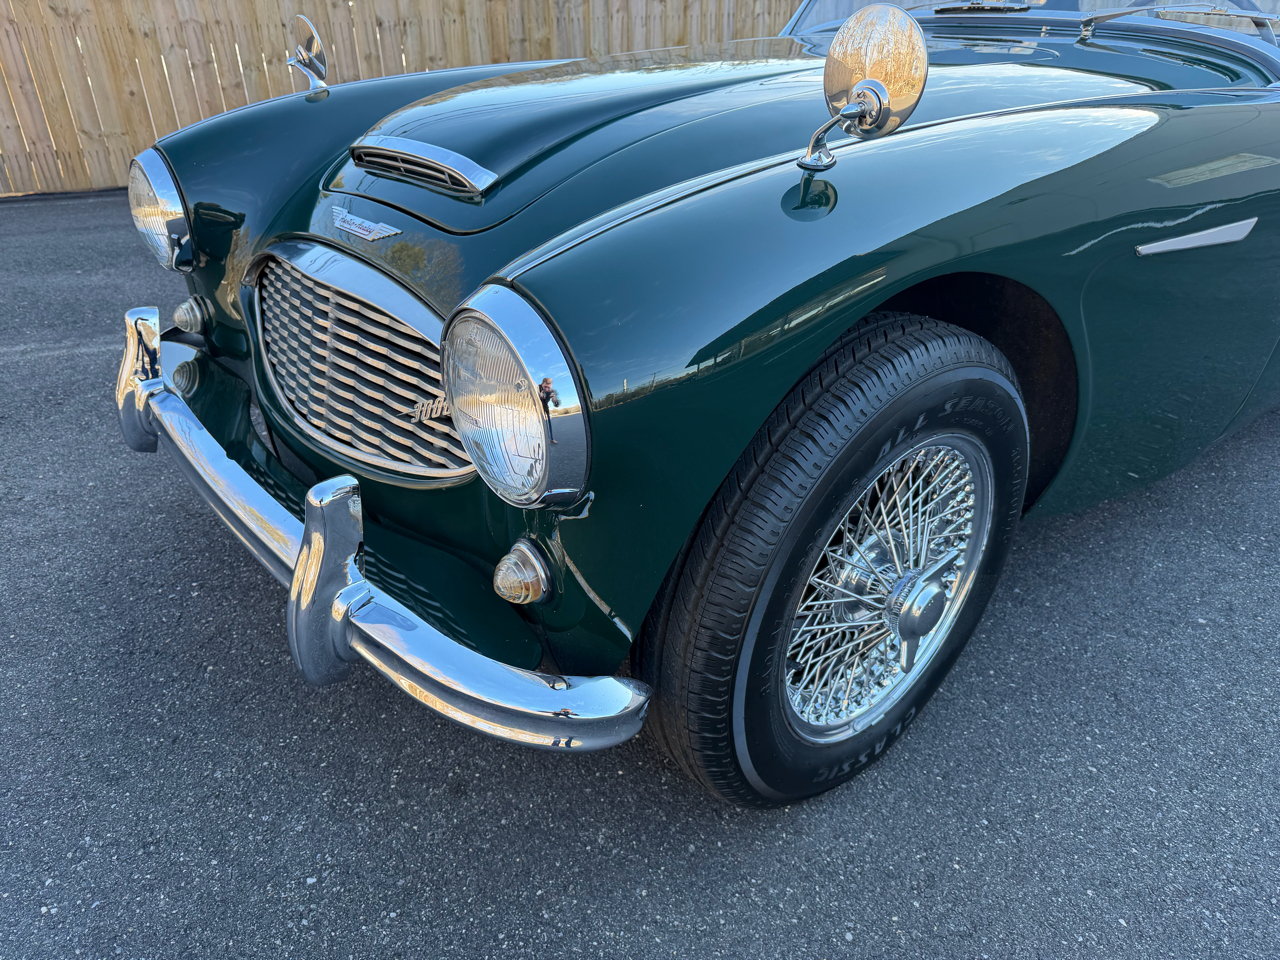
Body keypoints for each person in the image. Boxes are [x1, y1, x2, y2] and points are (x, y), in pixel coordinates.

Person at [539, 377, 560, 443]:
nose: (547, 389)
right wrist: (540, 395)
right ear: (542, 384)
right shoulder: (537, 388)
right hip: (537, 408)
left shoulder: (551, 391)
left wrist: (554, 400)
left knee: (549, 424)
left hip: (545, 408)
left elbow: (556, 404)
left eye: (548, 387)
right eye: (545, 387)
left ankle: (551, 438)